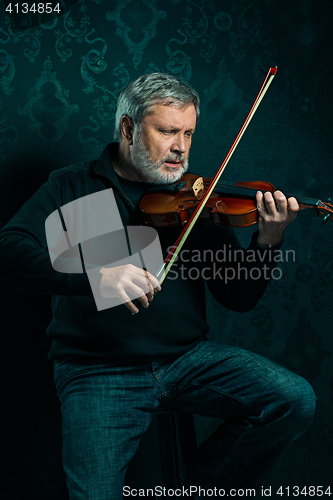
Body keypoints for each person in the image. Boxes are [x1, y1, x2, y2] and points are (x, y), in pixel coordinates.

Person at [0, 73, 316, 499]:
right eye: (168, 131)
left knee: (293, 399)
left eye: (188, 133)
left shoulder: (196, 198)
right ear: (129, 129)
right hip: (98, 369)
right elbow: (10, 251)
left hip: (187, 360)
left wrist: (269, 239)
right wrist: (97, 277)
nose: (181, 147)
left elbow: (237, 296)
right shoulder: (72, 187)